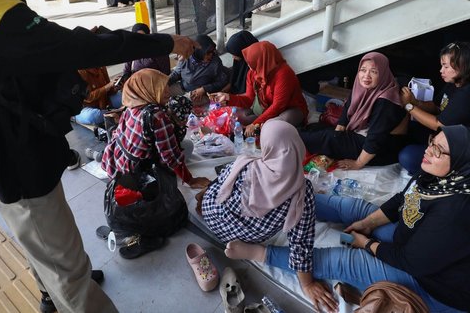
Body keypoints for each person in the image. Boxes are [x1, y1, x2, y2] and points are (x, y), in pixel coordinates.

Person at [0, 0, 196, 311]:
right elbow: (79, 48)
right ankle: (65, 289)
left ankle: (53, 287)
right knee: (66, 268)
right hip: (20, 166)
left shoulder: (3, 0)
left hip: (21, 153)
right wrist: (165, 41)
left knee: (50, 246)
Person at [229, 125, 470, 313]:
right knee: (357, 208)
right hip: (414, 237)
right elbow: (402, 199)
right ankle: (294, 197)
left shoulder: (457, 211)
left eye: (438, 150)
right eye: (432, 142)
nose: (428, 150)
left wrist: (365, 243)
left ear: (460, 163)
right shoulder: (436, 176)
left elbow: (410, 260)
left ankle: (259, 254)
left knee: (347, 261)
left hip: (428, 283)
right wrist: (367, 224)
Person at [201, 120, 337, 312]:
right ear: (298, 147)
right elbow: (301, 243)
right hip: (247, 238)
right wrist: (306, 284)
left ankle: (202, 199)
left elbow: (222, 186)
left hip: (212, 215)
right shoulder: (302, 191)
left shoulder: (244, 164)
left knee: (216, 186)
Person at [102, 69, 210, 189]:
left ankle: (98, 156)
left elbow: (117, 134)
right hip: (136, 175)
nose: (168, 92)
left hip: (115, 161)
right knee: (188, 146)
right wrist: (190, 180)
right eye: (161, 88)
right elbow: (170, 156)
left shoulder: (132, 104)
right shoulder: (157, 116)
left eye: (165, 87)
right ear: (148, 89)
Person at [299, 52, 407, 169]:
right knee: (316, 128)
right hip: (364, 134)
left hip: (383, 149)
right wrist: (338, 132)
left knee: (327, 137)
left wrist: (358, 163)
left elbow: (376, 138)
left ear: (383, 74)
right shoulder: (363, 87)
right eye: (363, 70)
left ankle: (289, 136)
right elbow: (348, 108)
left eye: (374, 72)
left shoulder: (386, 101)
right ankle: (295, 134)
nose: (366, 75)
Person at [399, 41, 470, 174]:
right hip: (438, 138)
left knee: (407, 156)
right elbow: (437, 107)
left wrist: (408, 106)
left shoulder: (466, 94)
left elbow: (438, 124)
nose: (441, 70)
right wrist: (415, 102)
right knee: (406, 130)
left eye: (446, 66)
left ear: (462, 66)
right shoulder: (454, 82)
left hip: (450, 151)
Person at [210, 41, 308, 137]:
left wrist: (255, 123)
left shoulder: (284, 73)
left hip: (289, 109)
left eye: (251, 61)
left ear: (262, 60)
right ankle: (262, 128)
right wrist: (228, 97)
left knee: (275, 125)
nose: (249, 65)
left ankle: (267, 129)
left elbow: (278, 106)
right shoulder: (253, 73)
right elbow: (249, 99)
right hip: (266, 109)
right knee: (237, 116)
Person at [168, 35, 229, 107]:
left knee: (177, 104)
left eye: (212, 51)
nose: (211, 55)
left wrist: (204, 89)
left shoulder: (215, 62)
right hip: (182, 87)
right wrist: (164, 83)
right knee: (161, 94)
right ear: (199, 52)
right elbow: (176, 73)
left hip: (199, 95)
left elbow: (222, 81)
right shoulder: (186, 56)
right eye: (208, 52)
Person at [225, 30, 258, 94]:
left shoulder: (253, 66)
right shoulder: (240, 60)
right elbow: (235, 80)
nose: (233, 57)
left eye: (234, 54)